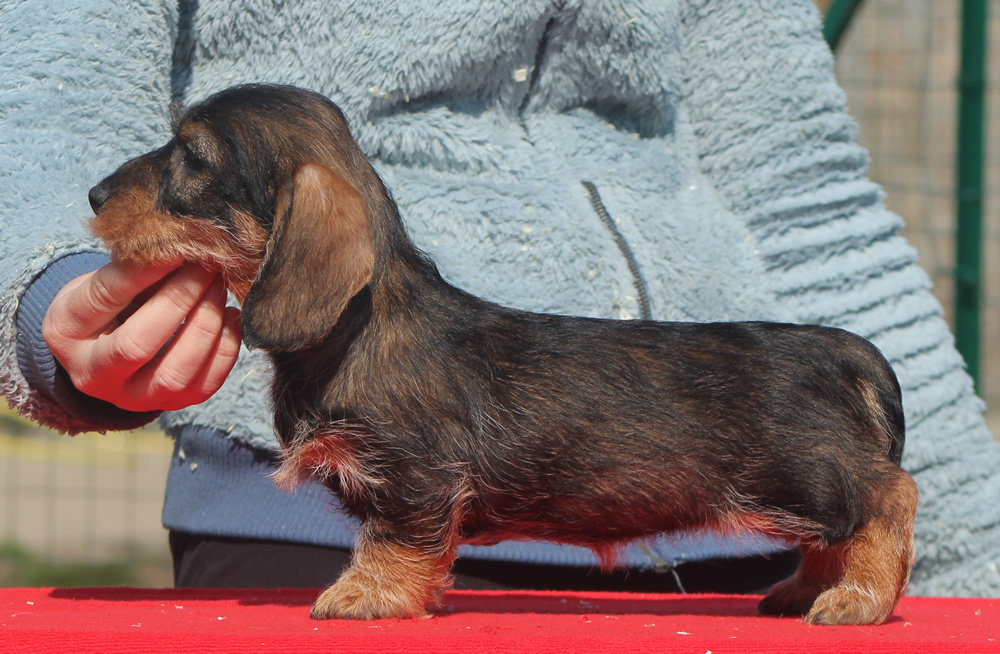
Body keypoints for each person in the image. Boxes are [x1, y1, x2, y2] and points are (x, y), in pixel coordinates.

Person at [2, 0, 997, 597]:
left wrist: (973, 571)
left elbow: (804, 206)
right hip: (320, 539)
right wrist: (59, 303)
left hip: (746, 546)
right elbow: (44, 108)